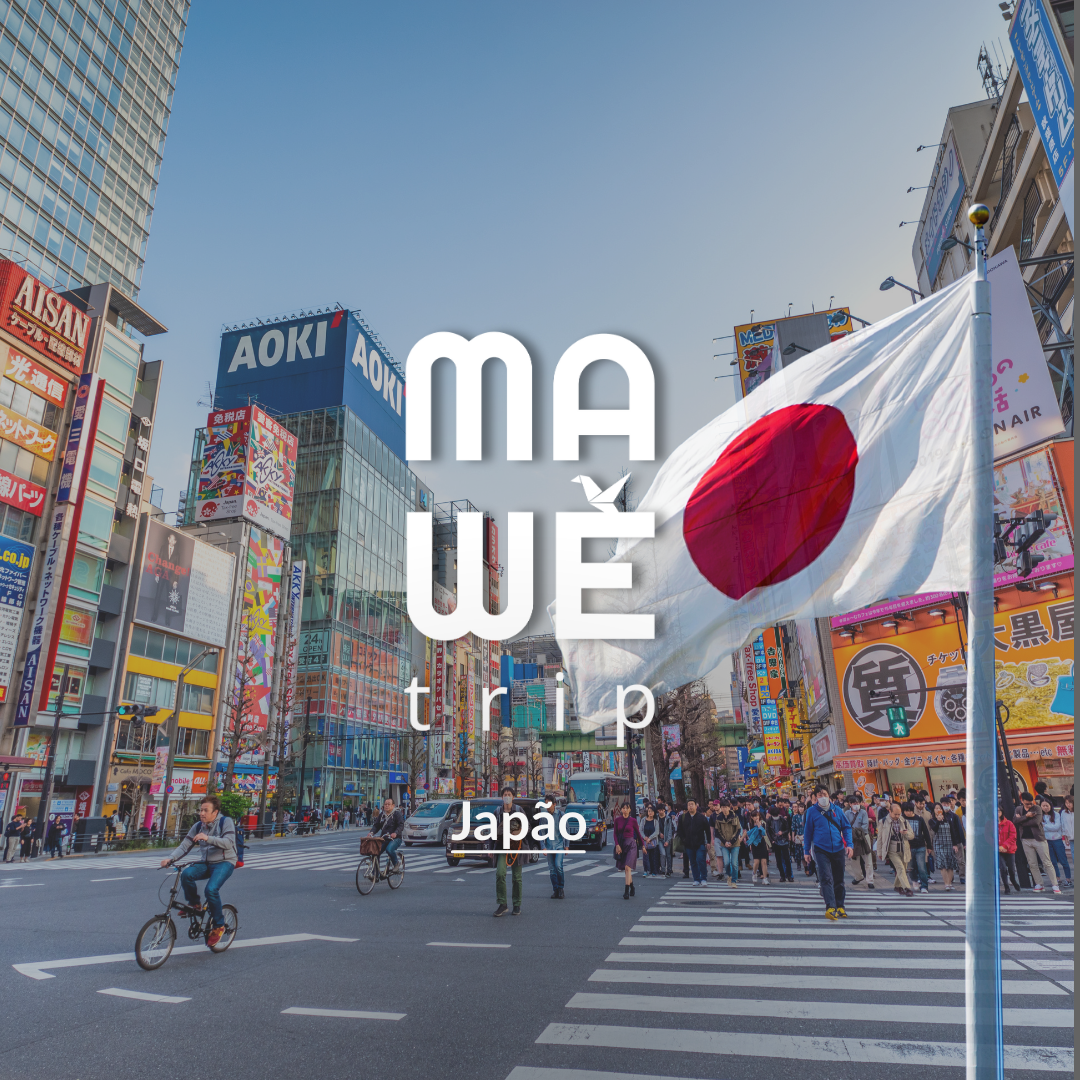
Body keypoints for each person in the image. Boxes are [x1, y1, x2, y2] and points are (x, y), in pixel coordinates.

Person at [160, 795, 237, 947]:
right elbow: (185, 845)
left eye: (205, 810)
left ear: (215, 812)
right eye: (200, 810)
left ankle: (219, 925)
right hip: (207, 862)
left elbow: (229, 843)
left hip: (225, 862)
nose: (201, 813)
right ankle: (195, 904)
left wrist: (208, 838)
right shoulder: (198, 826)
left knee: (211, 890)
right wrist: (170, 859)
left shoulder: (225, 822)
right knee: (187, 874)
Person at [803, 785, 853, 918]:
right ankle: (831, 907)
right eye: (819, 795)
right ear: (815, 798)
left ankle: (840, 906)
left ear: (829, 795)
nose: (822, 797)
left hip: (838, 848)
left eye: (824, 794)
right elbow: (807, 832)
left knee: (839, 879)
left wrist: (849, 845)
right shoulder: (811, 812)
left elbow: (846, 827)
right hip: (821, 849)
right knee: (826, 878)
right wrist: (806, 851)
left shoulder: (837, 810)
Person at [1014, 792, 1060, 893]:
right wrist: (1026, 816)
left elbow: (1036, 822)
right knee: (1032, 863)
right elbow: (1014, 821)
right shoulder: (1018, 809)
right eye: (1027, 804)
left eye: (1031, 803)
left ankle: (1055, 884)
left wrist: (1021, 819)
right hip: (1025, 839)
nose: (1030, 805)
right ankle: (1039, 884)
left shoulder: (1037, 808)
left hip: (1038, 838)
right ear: (1022, 801)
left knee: (1047, 862)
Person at [492, 787, 524, 916]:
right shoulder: (498, 812)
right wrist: (491, 848)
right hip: (501, 846)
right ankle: (502, 904)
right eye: (505, 794)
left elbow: (528, 827)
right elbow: (492, 831)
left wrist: (518, 832)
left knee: (517, 877)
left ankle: (517, 904)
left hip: (516, 847)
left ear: (513, 797)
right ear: (501, 797)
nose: (507, 796)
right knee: (500, 874)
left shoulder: (519, 810)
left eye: (509, 794)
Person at [877, 801, 915, 897]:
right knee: (900, 868)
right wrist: (880, 851)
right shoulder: (883, 821)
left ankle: (897, 886)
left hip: (904, 847)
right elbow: (880, 838)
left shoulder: (904, 821)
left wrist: (906, 833)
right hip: (891, 848)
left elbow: (912, 835)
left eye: (899, 814)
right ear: (890, 811)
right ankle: (907, 888)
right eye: (895, 814)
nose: (897, 816)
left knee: (903, 868)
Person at [614, 801, 645, 899]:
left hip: (631, 844)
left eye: (627, 808)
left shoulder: (633, 821)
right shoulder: (617, 820)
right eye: (623, 808)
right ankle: (632, 887)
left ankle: (626, 891)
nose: (625, 810)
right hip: (622, 845)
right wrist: (617, 845)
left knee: (628, 867)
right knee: (625, 869)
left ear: (630, 809)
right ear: (621, 809)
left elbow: (638, 834)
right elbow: (615, 834)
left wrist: (643, 845)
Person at [676, 799, 710, 887]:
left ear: (696, 806)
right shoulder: (683, 817)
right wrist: (684, 839)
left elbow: (707, 830)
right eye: (689, 804)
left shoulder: (701, 817)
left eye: (692, 804)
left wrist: (709, 842)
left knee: (701, 860)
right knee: (693, 862)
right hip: (688, 844)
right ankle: (696, 879)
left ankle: (703, 878)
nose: (690, 806)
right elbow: (679, 830)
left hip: (700, 843)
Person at [537, 796, 566, 899]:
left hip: (559, 846)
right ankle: (556, 889)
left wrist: (566, 846)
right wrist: (543, 847)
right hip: (549, 846)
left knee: (558, 866)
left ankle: (561, 888)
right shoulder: (544, 817)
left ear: (554, 804)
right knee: (552, 870)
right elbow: (541, 833)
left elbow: (565, 831)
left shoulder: (561, 815)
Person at [901, 801, 932, 893]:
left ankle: (924, 886)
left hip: (920, 846)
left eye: (910, 810)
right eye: (906, 811)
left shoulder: (919, 819)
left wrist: (929, 846)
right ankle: (914, 880)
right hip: (907, 847)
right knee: (910, 867)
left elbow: (926, 832)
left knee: (921, 867)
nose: (908, 812)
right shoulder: (901, 819)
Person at [931, 801, 961, 891]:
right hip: (939, 844)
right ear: (934, 810)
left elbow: (953, 832)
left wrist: (955, 844)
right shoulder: (932, 820)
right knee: (943, 864)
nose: (938, 810)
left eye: (940, 808)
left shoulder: (948, 819)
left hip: (949, 843)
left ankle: (950, 883)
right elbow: (935, 829)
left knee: (950, 864)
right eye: (936, 808)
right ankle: (946, 883)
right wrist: (938, 821)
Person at [844, 797, 874, 889]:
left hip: (864, 837)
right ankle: (858, 876)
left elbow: (865, 825)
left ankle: (870, 880)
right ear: (850, 804)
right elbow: (846, 825)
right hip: (852, 838)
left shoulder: (863, 812)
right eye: (854, 803)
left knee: (868, 858)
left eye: (857, 803)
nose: (856, 805)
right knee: (854, 859)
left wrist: (855, 831)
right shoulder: (847, 813)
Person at [1041, 799, 1071, 888]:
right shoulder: (1041, 816)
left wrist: (1045, 826)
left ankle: (1068, 879)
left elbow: (1056, 827)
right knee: (1052, 862)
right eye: (1043, 806)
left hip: (1057, 840)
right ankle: (1057, 879)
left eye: (1047, 806)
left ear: (1050, 806)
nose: (1045, 808)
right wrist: (1049, 827)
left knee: (1063, 860)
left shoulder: (1057, 815)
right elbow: (1040, 828)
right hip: (1047, 841)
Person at [371, 798, 405, 872]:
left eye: (388, 804)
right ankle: (375, 874)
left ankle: (396, 864)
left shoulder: (397, 814)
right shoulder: (382, 815)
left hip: (395, 838)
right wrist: (372, 832)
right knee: (375, 853)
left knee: (389, 850)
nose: (386, 806)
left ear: (393, 805)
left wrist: (395, 833)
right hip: (384, 838)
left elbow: (401, 825)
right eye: (385, 804)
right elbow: (376, 825)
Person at [713, 801, 743, 887]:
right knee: (726, 862)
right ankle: (729, 875)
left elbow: (738, 830)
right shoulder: (719, 818)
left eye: (726, 807)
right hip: (724, 844)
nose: (724, 809)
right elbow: (717, 832)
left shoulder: (735, 816)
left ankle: (734, 880)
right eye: (723, 807)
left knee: (734, 863)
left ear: (729, 807)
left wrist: (732, 841)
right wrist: (725, 841)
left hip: (735, 844)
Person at [767, 804, 793, 882]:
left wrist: (783, 833)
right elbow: (768, 831)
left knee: (787, 859)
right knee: (778, 860)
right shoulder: (769, 820)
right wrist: (772, 840)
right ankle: (782, 875)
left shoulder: (782, 819)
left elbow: (788, 829)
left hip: (783, 841)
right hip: (775, 841)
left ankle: (789, 875)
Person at [997, 805, 1020, 894]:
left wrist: (1004, 846)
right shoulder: (990, 823)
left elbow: (1013, 837)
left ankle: (1013, 880)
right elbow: (989, 837)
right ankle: (1006, 886)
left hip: (1009, 849)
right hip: (998, 850)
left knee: (1011, 868)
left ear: (1002, 812)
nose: (997, 813)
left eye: (998, 811)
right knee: (1002, 868)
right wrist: (998, 847)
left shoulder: (1009, 823)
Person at [747, 811, 770, 885]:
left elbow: (764, 833)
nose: (756, 818)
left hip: (762, 843)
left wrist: (759, 825)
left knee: (764, 861)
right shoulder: (749, 824)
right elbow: (749, 835)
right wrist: (750, 844)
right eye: (754, 816)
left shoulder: (763, 823)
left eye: (757, 816)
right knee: (756, 862)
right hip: (754, 844)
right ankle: (754, 873)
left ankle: (765, 878)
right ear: (751, 817)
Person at [641, 805, 661, 877]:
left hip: (653, 842)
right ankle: (646, 870)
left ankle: (653, 871)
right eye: (649, 811)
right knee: (645, 857)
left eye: (652, 811)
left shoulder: (655, 821)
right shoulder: (643, 820)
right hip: (645, 842)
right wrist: (645, 837)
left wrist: (650, 838)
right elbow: (641, 830)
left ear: (654, 813)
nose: (650, 813)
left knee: (653, 857)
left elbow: (657, 832)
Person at [656, 804, 674, 877]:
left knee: (668, 855)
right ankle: (663, 869)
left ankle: (669, 870)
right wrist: (659, 833)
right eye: (659, 810)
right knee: (663, 854)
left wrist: (668, 840)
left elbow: (670, 830)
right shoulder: (656, 818)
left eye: (662, 810)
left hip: (667, 839)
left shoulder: (668, 818)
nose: (660, 811)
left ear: (664, 810)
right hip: (660, 839)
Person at [1061, 795, 1074, 867]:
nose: (1068, 804)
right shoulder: (1064, 813)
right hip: (1070, 837)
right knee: (1074, 855)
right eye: (1066, 803)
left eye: (1070, 802)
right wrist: (1065, 838)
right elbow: (1063, 825)